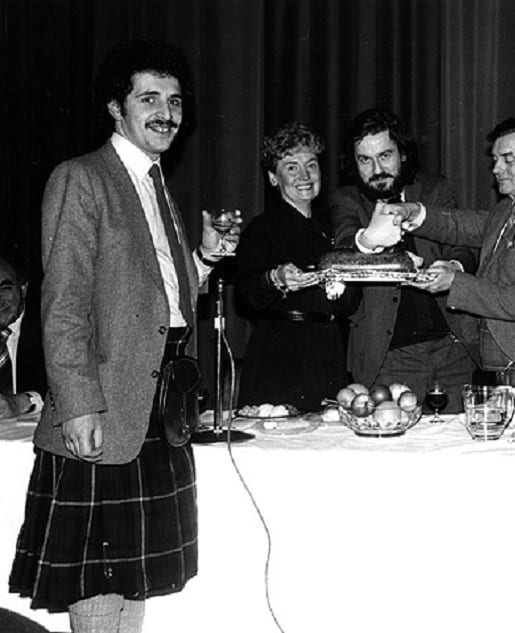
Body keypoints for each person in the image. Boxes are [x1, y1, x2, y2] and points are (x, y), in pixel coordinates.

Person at [8, 39, 240, 633]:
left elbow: (158, 296)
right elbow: (62, 306)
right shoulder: (80, 178)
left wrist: (204, 262)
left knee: (131, 575)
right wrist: (79, 403)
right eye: (149, 99)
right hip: (106, 406)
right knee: (97, 574)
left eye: (175, 100)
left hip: (157, 406)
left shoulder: (157, 184)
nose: (166, 112)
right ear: (117, 108)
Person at [378, 118, 515, 416]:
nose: (496, 169)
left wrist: (455, 282)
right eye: (495, 159)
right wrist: (414, 212)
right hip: (502, 371)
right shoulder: (506, 210)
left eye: (507, 159)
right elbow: (458, 224)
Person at [330, 108, 478, 412]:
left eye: (385, 155)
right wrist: (371, 239)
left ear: (403, 154)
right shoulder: (347, 200)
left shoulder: (435, 189)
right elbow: (347, 243)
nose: (376, 169)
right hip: (386, 358)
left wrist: (454, 267)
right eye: (364, 160)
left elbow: (461, 245)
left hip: (453, 349)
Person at [234, 122, 358, 411]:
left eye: (311, 165)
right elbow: (244, 294)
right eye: (291, 167)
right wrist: (274, 278)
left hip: (330, 351)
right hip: (281, 357)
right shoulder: (261, 228)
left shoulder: (336, 227)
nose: (304, 176)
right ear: (273, 178)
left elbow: (349, 302)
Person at [0, 256, 46, 419]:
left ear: (23, 288)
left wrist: (20, 403)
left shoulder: (49, 329)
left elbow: (68, 390)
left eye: (4, 288)